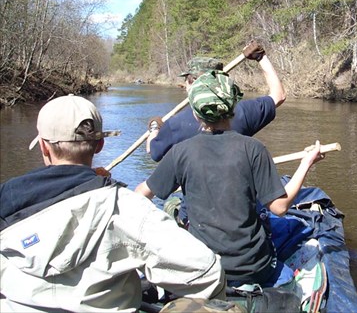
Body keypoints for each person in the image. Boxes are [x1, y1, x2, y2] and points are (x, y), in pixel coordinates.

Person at [0, 95, 225, 312]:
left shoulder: (6, 200)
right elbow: (207, 272)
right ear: (100, 145)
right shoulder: (127, 207)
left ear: (43, 146)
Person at [135, 71, 324, 288]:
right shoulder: (254, 149)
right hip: (254, 268)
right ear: (233, 108)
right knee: (292, 253)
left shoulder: (180, 152)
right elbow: (280, 207)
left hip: (204, 267)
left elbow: (141, 195)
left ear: (196, 115)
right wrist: (306, 163)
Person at [146, 40, 286, 161]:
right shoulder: (242, 112)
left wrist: (155, 128)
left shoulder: (175, 125)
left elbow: (153, 153)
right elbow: (279, 96)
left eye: (186, 81)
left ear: (192, 83)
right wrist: (261, 57)